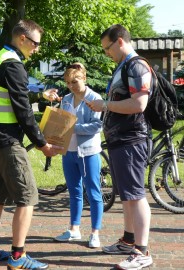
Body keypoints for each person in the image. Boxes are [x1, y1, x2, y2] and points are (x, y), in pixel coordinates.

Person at [0, 19, 63, 270]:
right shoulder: (13, 65)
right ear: (22, 39)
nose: (37, 48)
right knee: (27, 197)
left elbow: (11, 96)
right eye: (35, 43)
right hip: (7, 140)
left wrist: (38, 96)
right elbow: (22, 111)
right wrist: (42, 143)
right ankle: (18, 257)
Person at [87, 24, 153, 270]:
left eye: (108, 48)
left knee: (135, 195)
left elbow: (139, 104)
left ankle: (142, 251)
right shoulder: (124, 66)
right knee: (127, 195)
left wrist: (105, 104)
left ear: (120, 42)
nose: (106, 53)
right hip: (120, 140)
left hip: (131, 139)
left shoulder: (136, 65)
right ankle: (129, 240)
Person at [50, 63, 104, 248]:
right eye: (67, 82)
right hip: (69, 152)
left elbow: (97, 126)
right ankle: (74, 229)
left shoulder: (94, 98)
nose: (71, 86)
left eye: (74, 81)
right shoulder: (66, 99)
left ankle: (95, 232)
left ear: (84, 78)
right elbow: (61, 122)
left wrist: (73, 128)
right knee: (74, 191)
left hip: (88, 152)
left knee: (93, 192)